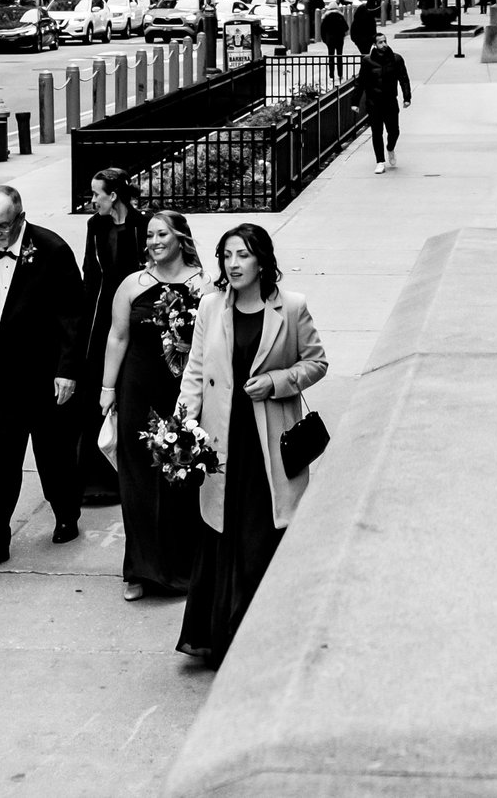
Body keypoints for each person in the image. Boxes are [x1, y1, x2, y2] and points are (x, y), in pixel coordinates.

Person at [176, 223, 327, 667]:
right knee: (222, 533)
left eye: (242, 255)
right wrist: (182, 425)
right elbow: (195, 368)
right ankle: (222, 637)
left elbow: (316, 362)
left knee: (261, 538)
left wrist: (277, 382)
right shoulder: (209, 307)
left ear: (261, 260)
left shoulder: (291, 308)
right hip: (222, 441)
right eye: (226, 255)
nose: (233, 264)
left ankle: (264, 638)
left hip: (268, 443)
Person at [0, 184, 86, 575]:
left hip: (45, 374)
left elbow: (73, 315)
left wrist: (67, 371)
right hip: (1, 377)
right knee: (0, 460)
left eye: (3, 226)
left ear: (20, 216)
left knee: (54, 453)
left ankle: (66, 511)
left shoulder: (52, 249)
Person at [98, 209, 207, 600]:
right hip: (137, 392)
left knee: (181, 477)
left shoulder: (206, 286)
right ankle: (140, 570)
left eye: (162, 234)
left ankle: (182, 567)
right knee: (138, 482)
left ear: (181, 237)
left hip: (183, 395)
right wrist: (108, 389)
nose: (154, 242)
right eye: (149, 235)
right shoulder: (132, 284)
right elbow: (117, 337)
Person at [76, 168, 147, 506]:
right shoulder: (95, 226)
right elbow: (91, 272)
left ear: (114, 195)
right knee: (97, 390)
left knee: (130, 388)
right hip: (103, 314)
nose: (92, 201)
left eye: (97, 195)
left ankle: (131, 471)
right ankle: (96, 477)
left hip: (137, 313)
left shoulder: (143, 225)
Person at [360, 32, 413, 174]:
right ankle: (380, 161)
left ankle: (390, 148)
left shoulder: (396, 59)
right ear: (375, 45)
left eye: (385, 41)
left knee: (394, 131)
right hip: (374, 102)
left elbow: (404, 79)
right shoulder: (367, 61)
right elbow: (361, 82)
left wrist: (407, 97)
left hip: (390, 101)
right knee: (376, 132)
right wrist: (355, 101)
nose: (384, 44)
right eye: (380, 42)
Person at [319, 0, 350, 80]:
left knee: (331, 58)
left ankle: (331, 75)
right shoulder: (340, 16)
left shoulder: (326, 17)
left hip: (330, 40)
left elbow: (322, 30)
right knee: (339, 57)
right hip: (339, 39)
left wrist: (325, 40)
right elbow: (346, 28)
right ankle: (340, 74)